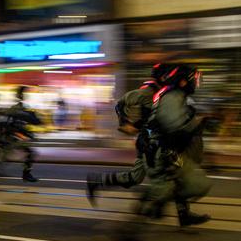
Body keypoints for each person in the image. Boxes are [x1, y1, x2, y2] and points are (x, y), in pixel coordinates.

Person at [87, 64, 210, 228]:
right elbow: (121, 103)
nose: (169, 77)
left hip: (156, 141)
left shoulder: (168, 93)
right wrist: (126, 123)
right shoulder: (148, 92)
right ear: (161, 76)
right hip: (150, 143)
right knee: (139, 178)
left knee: (173, 175)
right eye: (166, 74)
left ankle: (182, 214)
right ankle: (100, 182)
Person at [118, 64, 214, 241]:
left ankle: (161, 205)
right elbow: (175, 130)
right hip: (161, 153)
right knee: (167, 189)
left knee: (193, 183)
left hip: (169, 153)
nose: (197, 83)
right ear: (184, 81)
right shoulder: (171, 97)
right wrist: (197, 124)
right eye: (195, 79)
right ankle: (131, 229)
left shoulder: (177, 96)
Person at [5, 86, 42, 182]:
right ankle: (26, 174)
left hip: (15, 135)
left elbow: (29, 122)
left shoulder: (20, 108)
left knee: (29, 154)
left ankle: (26, 174)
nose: (25, 96)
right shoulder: (18, 109)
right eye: (23, 94)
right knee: (30, 154)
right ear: (20, 95)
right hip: (13, 136)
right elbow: (15, 124)